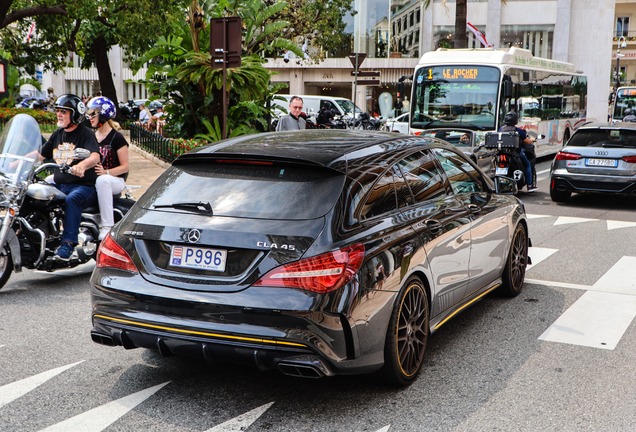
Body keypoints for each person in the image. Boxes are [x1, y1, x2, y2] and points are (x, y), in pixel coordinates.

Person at [34, 95, 101, 259]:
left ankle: (68, 244)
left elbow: (95, 156)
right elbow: (40, 155)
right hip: (60, 186)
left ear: (75, 114)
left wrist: (81, 165)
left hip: (84, 187)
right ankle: (38, 238)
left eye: (63, 111)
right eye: (57, 111)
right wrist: (15, 161)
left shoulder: (86, 134)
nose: (59, 114)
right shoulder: (57, 134)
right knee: (35, 194)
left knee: (73, 199)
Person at [86, 96, 130, 240]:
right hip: (96, 179)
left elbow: (125, 167)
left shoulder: (117, 138)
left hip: (115, 180)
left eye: (93, 114)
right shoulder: (91, 136)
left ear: (104, 115)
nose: (90, 117)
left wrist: (107, 172)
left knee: (103, 180)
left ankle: (107, 227)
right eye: (89, 113)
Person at [499, 111, 537, 192]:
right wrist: (532, 139)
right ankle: (529, 185)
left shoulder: (501, 129)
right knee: (527, 165)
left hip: (502, 153)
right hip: (516, 154)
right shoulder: (519, 131)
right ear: (515, 120)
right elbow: (527, 142)